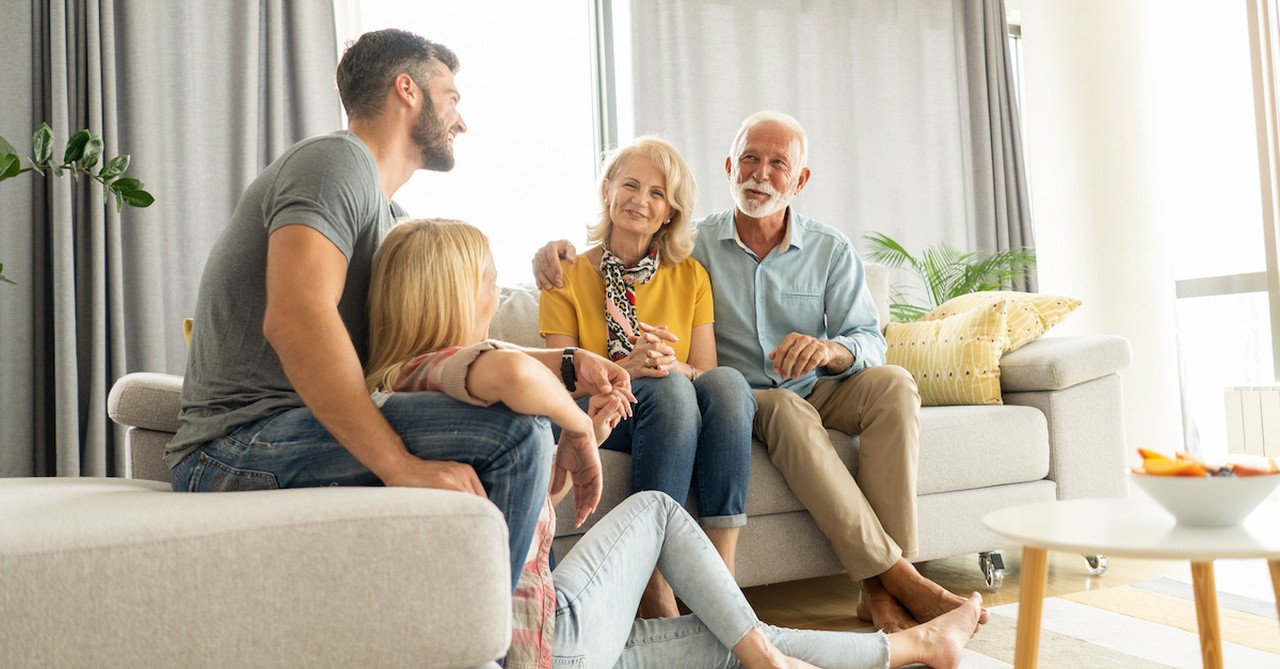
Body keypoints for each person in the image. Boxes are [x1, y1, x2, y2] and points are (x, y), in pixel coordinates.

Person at [368, 217, 983, 669]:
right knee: (660, 511)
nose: (495, 297)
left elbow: (519, 517)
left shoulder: (391, 394)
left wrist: (575, 450)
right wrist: (579, 424)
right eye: (487, 283)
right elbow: (508, 367)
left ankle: (917, 643)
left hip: (544, 635)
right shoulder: (448, 373)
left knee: (726, 639)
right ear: (448, 293)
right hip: (547, 643)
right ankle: (779, 650)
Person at [168, 29, 630, 593]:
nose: (462, 121)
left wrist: (563, 363)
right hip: (235, 446)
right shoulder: (336, 162)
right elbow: (296, 316)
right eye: (452, 98)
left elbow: (427, 353)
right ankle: (489, 642)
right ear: (407, 89)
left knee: (517, 421)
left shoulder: (390, 216)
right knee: (514, 432)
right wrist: (399, 465)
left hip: (288, 431)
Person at [534, 111, 987, 633]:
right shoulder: (693, 245)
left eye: (778, 164)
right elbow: (612, 261)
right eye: (750, 158)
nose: (761, 173)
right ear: (730, 166)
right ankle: (896, 580)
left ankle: (884, 582)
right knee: (760, 400)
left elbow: (868, 339)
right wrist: (551, 252)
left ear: (800, 180)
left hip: (819, 384)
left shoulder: (824, 249)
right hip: (748, 396)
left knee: (895, 386)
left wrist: (829, 350)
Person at [538, 136, 755, 618]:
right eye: (630, 185)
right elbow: (557, 380)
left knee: (728, 385)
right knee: (672, 390)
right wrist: (624, 370)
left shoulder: (691, 276)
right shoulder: (566, 273)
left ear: (670, 213)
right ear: (608, 191)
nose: (641, 200)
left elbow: (707, 371)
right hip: (597, 409)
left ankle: (720, 574)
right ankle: (653, 582)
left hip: (667, 411)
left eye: (657, 193)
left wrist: (670, 366)